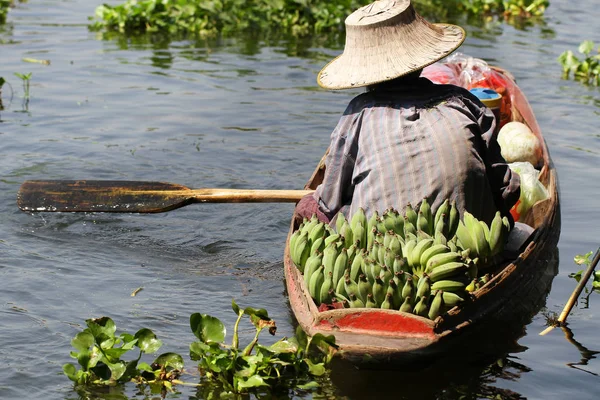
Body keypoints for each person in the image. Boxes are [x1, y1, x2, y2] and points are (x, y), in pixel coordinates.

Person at [295, 0, 520, 226]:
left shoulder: (357, 115)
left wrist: (312, 202)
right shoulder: (464, 102)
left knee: (309, 207)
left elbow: (328, 202)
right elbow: (507, 189)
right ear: (421, 64)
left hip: (379, 250)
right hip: (471, 240)